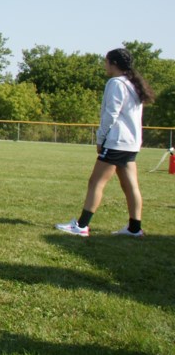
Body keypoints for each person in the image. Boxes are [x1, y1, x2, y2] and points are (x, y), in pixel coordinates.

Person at [56, 48, 155, 237]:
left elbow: (111, 114)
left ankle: (81, 226)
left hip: (117, 141)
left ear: (114, 63)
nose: (104, 65)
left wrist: (101, 138)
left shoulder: (116, 83)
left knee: (96, 182)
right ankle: (135, 228)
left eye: (106, 61)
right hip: (131, 143)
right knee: (130, 185)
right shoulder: (133, 83)